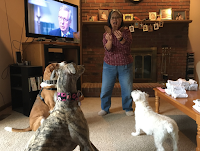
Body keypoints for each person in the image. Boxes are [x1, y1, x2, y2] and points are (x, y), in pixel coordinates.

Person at [98, 9, 134, 116]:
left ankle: (128, 108)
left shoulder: (126, 32)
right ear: (110, 20)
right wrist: (109, 40)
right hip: (109, 65)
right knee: (105, 89)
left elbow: (127, 46)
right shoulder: (106, 34)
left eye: (117, 17)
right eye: (112, 18)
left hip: (125, 64)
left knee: (127, 89)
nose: (115, 20)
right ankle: (105, 108)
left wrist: (121, 38)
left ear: (121, 20)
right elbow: (108, 49)